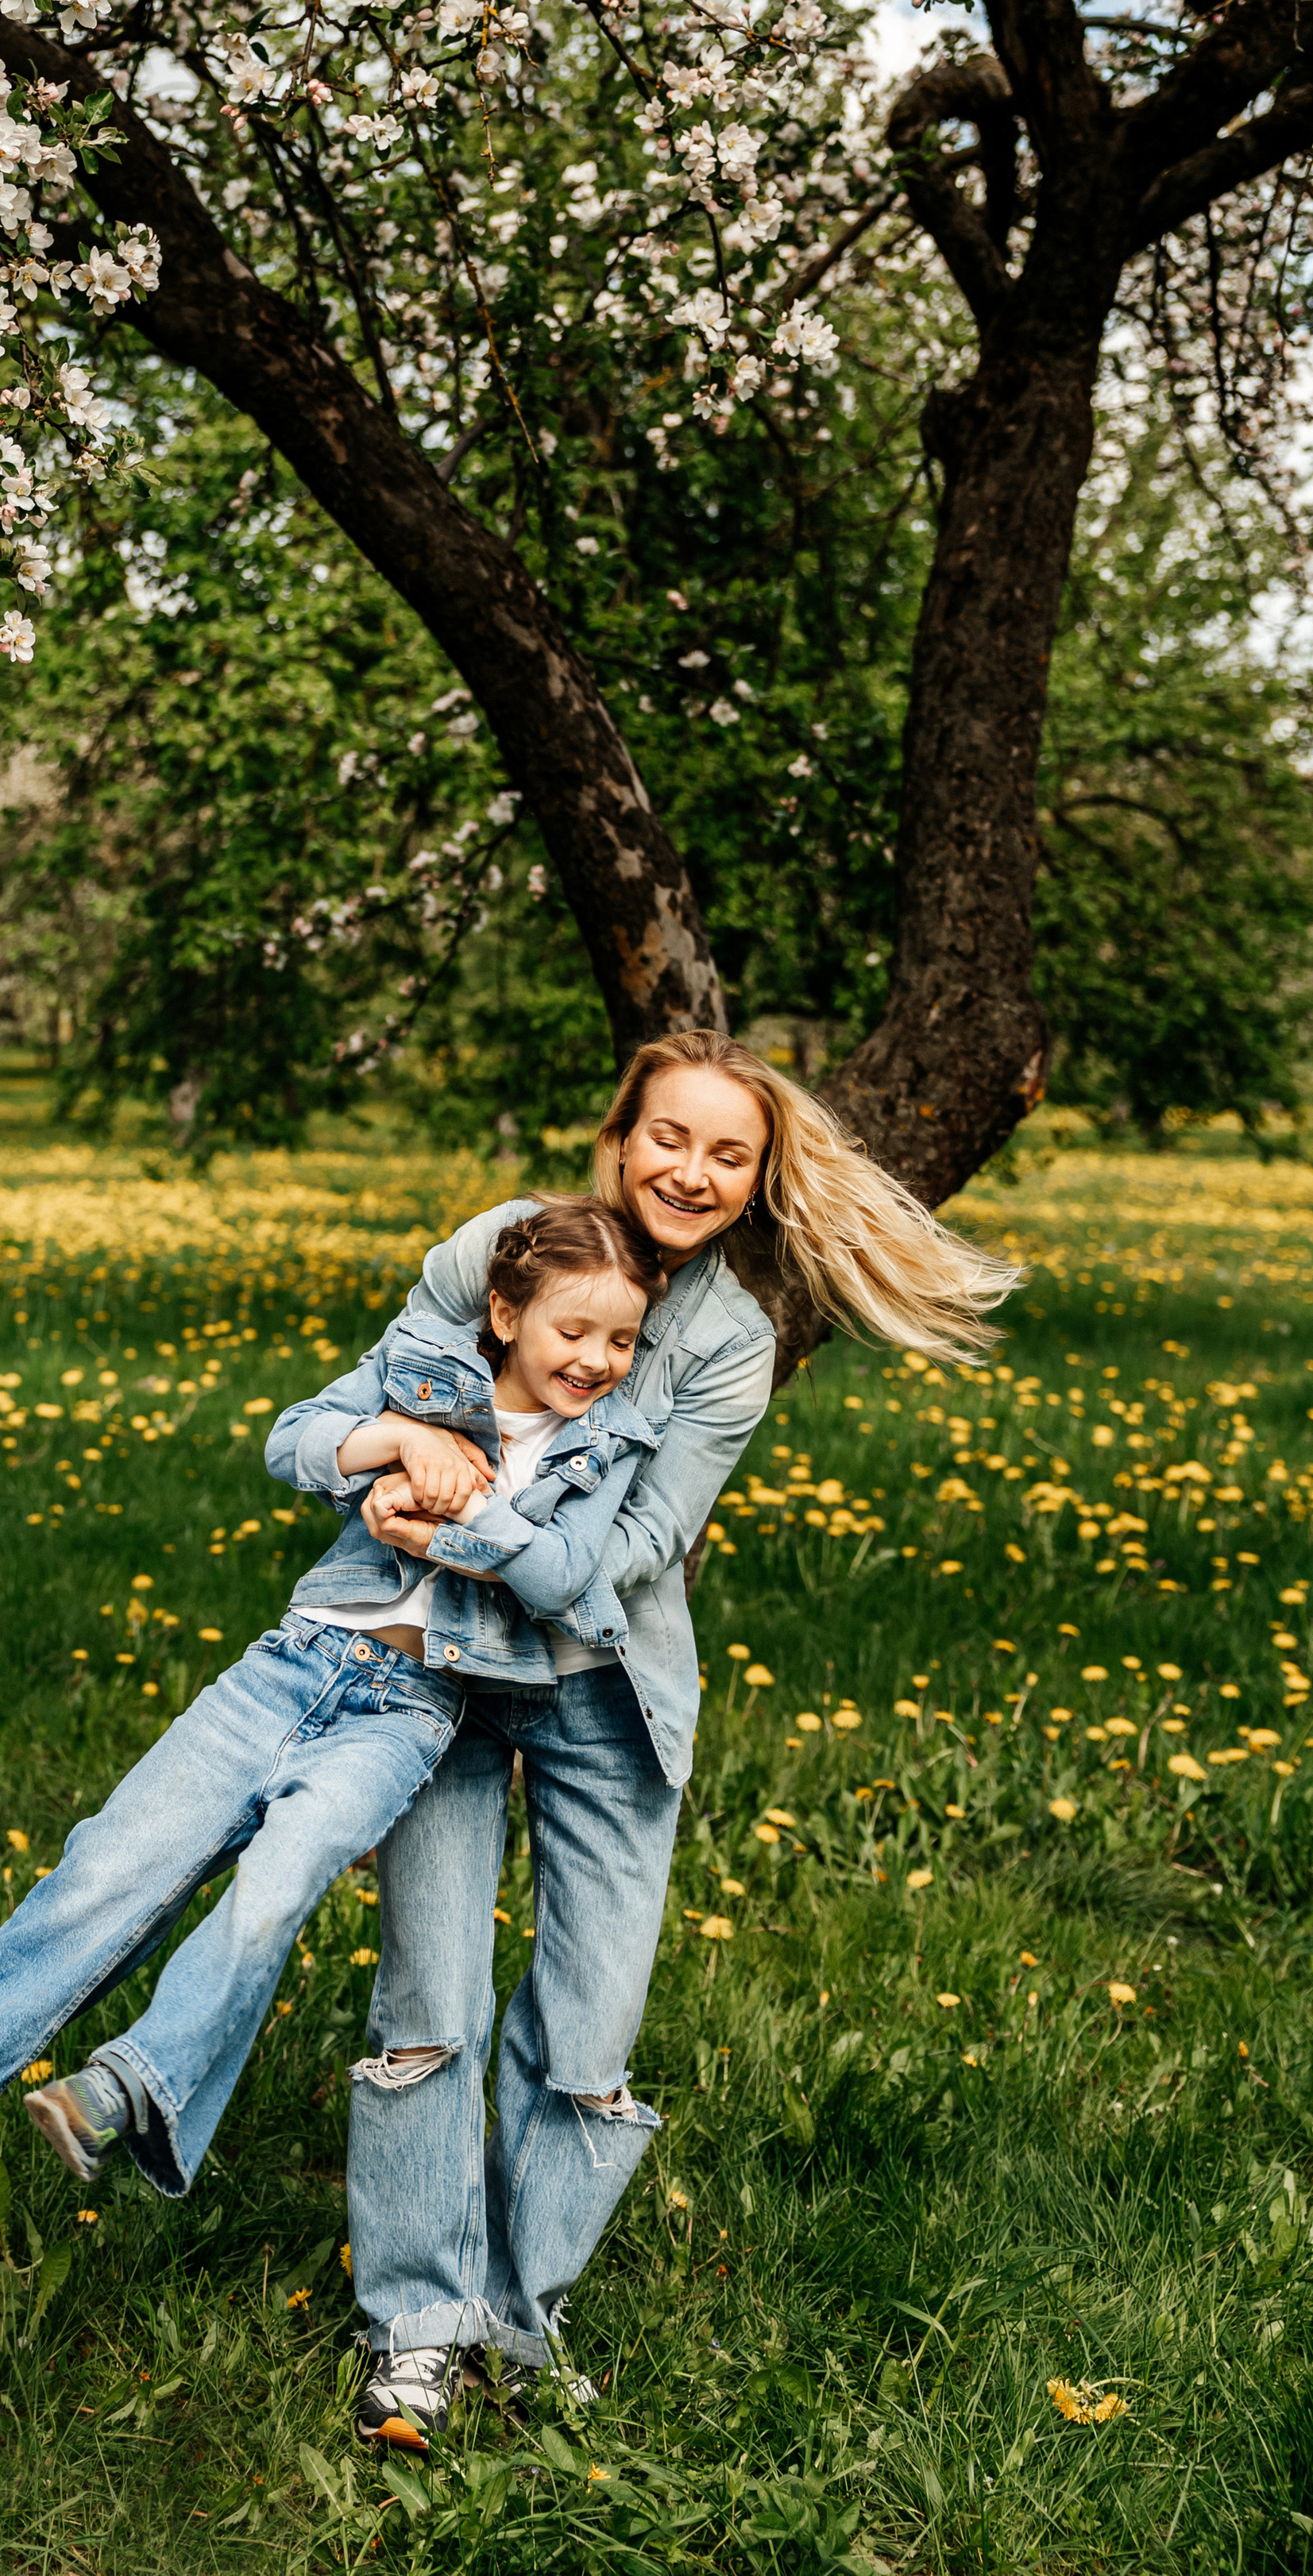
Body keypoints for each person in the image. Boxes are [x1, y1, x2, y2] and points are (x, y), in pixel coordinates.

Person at [324, 1029, 1018, 2450]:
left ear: (759, 1179)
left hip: (605, 1696)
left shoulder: (732, 1343)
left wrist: (461, 1514)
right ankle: (415, 2327)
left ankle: (521, 2324)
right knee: (428, 2011)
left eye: (728, 1153)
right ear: (617, 1135)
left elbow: (631, 1557)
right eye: (667, 1137)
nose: (689, 1172)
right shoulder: (497, 1255)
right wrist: (389, 1471)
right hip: (440, 1670)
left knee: (589, 2035)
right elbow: (373, 1417)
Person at [0, 1201, 666, 2196]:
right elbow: (292, 1444)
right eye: (574, 1330)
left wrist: (459, 1518)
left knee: (278, 1884)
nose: (597, 1358)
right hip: (290, 1664)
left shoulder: (610, 1444)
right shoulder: (424, 1364)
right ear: (506, 1314)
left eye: (624, 1340)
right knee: (114, 1860)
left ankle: (130, 2086)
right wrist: (393, 1439)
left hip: (409, 1710)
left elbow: (561, 1573)